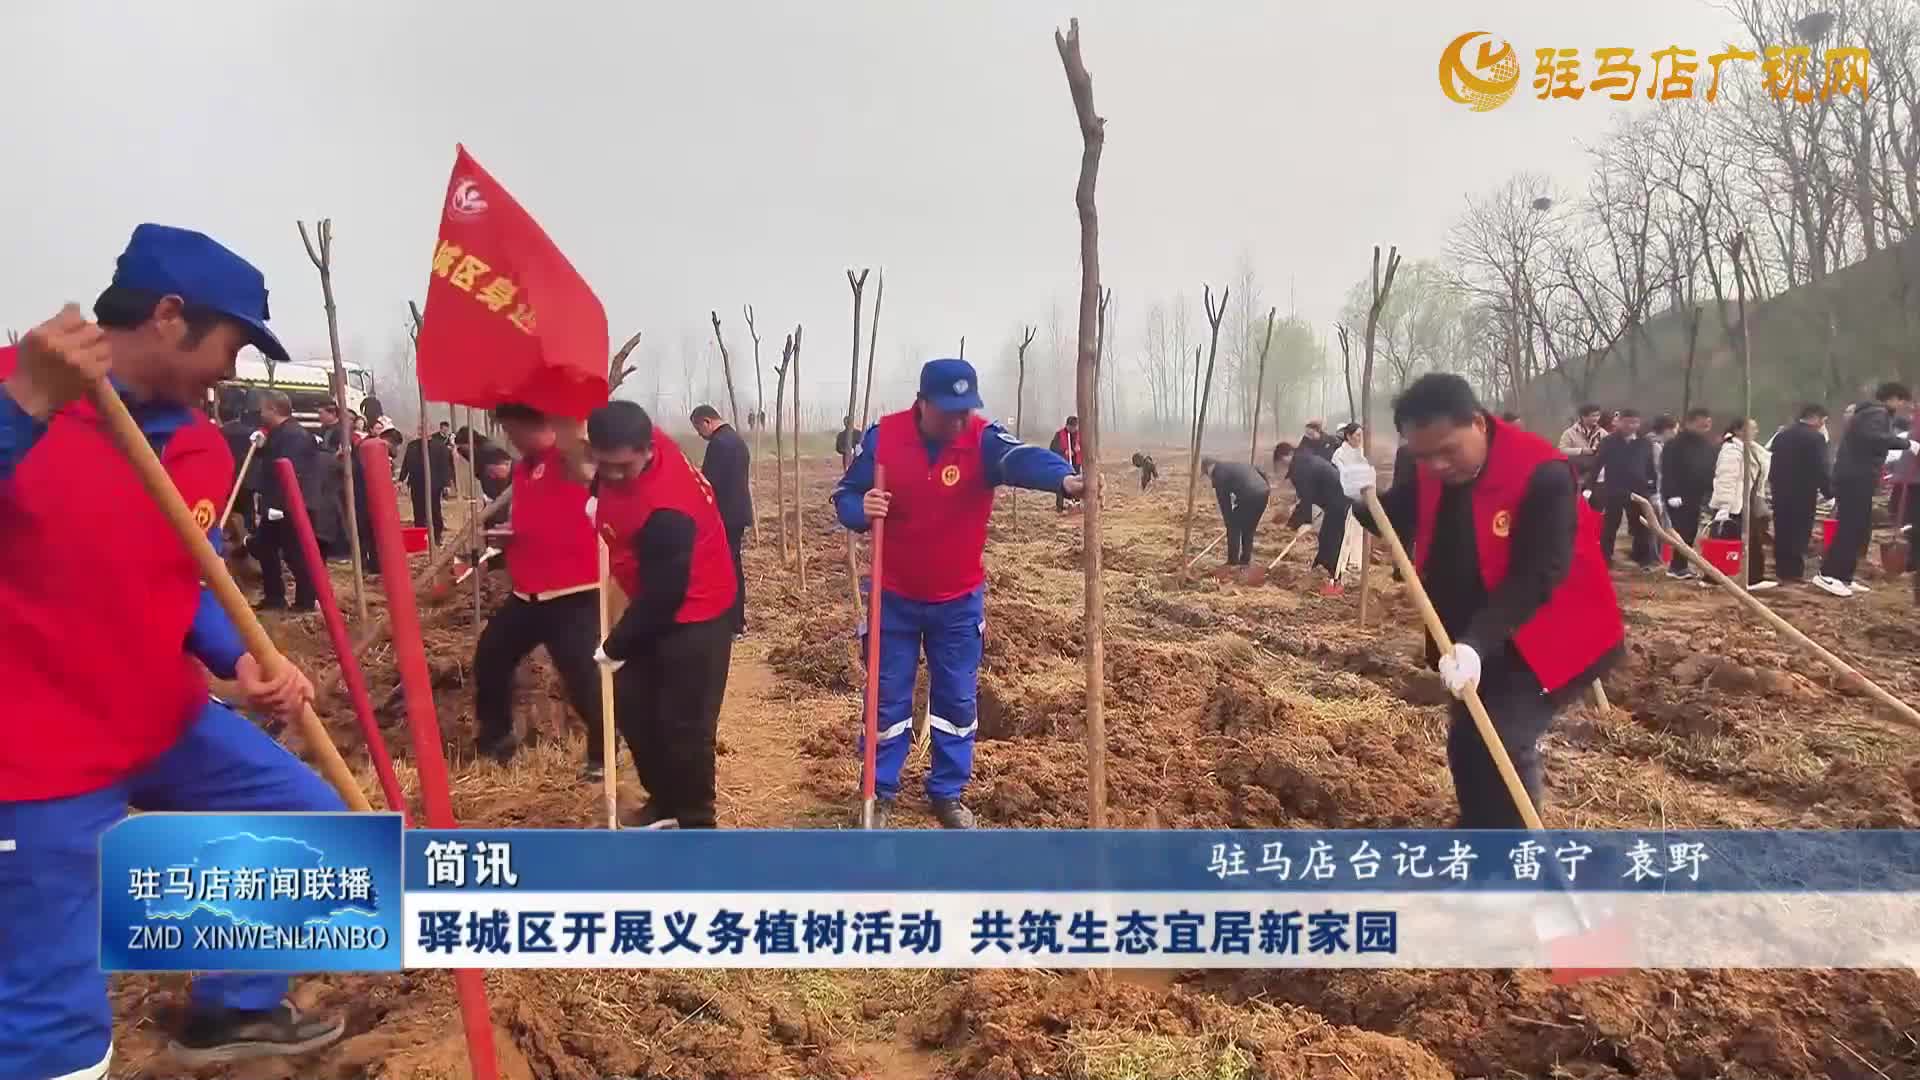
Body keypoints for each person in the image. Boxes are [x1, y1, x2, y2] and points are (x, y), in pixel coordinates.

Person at [0, 225, 348, 1075]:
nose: (234, 372)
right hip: (33, 748)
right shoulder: (20, 397)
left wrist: (238, 660)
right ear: (169, 316)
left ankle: (230, 1007)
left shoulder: (198, 444)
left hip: (161, 714)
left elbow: (189, 581)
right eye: (231, 345)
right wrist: (23, 413)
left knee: (322, 832)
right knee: (56, 1029)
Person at [1350, 373, 1624, 829]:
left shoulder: (1542, 473)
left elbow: (1540, 574)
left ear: (1477, 423)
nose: (1436, 465)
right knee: (1467, 742)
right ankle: (1481, 834)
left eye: (1446, 451)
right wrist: (1355, 498)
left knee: (1500, 738)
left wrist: (1477, 642)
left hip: (1547, 634)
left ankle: (1515, 861)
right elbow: (1394, 516)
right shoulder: (1432, 467)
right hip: (1474, 636)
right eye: (1423, 455)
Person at [832, 358, 1082, 828]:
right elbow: (845, 495)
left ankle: (947, 791)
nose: (960, 420)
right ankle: (880, 791)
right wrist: (859, 508)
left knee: (957, 701)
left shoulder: (982, 439)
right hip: (895, 597)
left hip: (957, 601)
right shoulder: (884, 437)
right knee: (886, 698)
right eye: (950, 411)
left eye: (967, 409)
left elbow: (1021, 458)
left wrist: (1065, 480)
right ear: (922, 404)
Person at [589, 402, 738, 830]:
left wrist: (615, 645)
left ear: (647, 449)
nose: (612, 477)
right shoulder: (638, 437)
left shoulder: (669, 509)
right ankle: (665, 802)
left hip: (696, 611)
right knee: (634, 706)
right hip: (654, 601)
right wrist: (594, 498)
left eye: (622, 468)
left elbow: (664, 598)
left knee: (685, 725)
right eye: (604, 466)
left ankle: (696, 824)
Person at [471, 403, 608, 777]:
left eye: (513, 430)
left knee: (581, 675)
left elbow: (587, 462)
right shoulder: (523, 468)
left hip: (574, 591)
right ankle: (496, 738)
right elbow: (535, 519)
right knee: (491, 656)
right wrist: (510, 536)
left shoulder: (569, 457)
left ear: (539, 424)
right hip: (528, 592)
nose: (509, 438)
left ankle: (604, 751)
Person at [1815, 382, 1914, 597]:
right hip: (1855, 477)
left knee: (1857, 528)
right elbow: (1874, 438)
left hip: (1860, 477)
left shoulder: (1873, 413)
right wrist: (1906, 444)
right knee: (1849, 527)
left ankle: (1844, 576)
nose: (1903, 406)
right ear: (1893, 398)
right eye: (1902, 401)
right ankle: (1828, 574)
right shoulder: (1876, 413)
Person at [246, 390, 321, 612]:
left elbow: (291, 471)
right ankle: (274, 597)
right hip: (276, 504)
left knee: (295, 554)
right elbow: (272, 461)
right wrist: (260, 448)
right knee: (265, 547)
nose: (259, 413)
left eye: (262, 409)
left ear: (273, 409)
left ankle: (305, 602)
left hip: (292, 506)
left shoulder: (294, 435)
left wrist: (279, 504)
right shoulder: (279, 433)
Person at [691, 404, 754, 637]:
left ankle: (733, 625)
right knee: (734, 566)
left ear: (706, 422)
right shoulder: (736, 440)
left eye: (699, 429)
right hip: (737, 513)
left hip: (725, 516)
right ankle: (739, 622)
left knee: (727, 569)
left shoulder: (719, 444)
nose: (700, 435)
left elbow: (709, 483)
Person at [1707, 417, 1777, 590]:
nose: (1755, 431)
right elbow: (1725, 478)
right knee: (1723, 540)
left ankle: (1753, 577)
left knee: (1752, 539)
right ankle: (1712, 577)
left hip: (1748, 500)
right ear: (1739, 431)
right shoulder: (1731, 451)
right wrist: (1724, 506)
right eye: (1751, 428)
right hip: (1733, 502)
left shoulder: (1752, 449)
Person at [1273, 439, 1349, 591]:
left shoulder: (1300, 467)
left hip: (1339, 500)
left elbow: (1307, 495)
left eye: (1281, 462)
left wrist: (1306, 522)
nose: (1282, 466)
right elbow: (1307, 494)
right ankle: (1319, 568)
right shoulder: (1304, 460)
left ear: (1287, 456)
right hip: (1336, 498)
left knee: (1332, 538)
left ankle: (1334, 578)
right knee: (1325, 536)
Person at [1768, 404, 1831, 584]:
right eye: (1822, 420)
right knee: (1800, 531)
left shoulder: (1781, 436)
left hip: (1780, 489)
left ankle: (1781, 568)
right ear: (1815, 417)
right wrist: (1829, 491)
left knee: (1782, 528)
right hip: (1803, 491)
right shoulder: (1816, 439)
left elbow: (1774, 463)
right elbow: (1821, 467)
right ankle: (1794, 571)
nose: (1822, 424)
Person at [1593, 408, 1658, 570]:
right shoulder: (1609, 441)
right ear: (1620, 422)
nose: (1631, 426)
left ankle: (1643, 558)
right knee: (1610, 525)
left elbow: (1650, 467)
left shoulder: (1644, 443)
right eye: (1627, 422)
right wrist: (1590, 487)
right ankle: (1605, 558)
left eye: (1635, 422)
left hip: (1638, 489)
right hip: (1614, 488)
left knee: (1641, 525)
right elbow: (1597, 464)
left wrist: (1653, 489)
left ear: (1639, 423)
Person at [1660, 407, 1718, 580]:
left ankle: (1681, 564)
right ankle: (1676, 566)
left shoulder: (1706, 444)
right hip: (1678, 495)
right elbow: (1667, 469)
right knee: (1681, 530)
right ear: (1690, 423)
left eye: (1707, 424)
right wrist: (1671, 493)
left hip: (1697, 493)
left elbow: (1709, 468)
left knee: (1691, 530)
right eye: (1701, 424)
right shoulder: (1674, 444)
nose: (1705, 427)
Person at [1201, 455, 1270, 567]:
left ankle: (1232, 562)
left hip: (1249, 495)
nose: (1209, 478)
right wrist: (1267, 488)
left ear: (1208, 468)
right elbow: (1261, 472)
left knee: (1234, 526)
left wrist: (1229, 523)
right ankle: (1245, 560)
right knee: (1249, 528)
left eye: (1206, 474)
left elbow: (1224, 504)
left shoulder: (1218, 474)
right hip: (1263, 492)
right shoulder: (1233, 465)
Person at [400, 421, 454, 543]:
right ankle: (420, 537)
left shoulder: (439, 446)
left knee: (435, 510)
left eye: (425, 429)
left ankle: (437, 536)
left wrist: (446, 484)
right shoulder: (412, 446)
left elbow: (445, 466)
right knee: (418, 511)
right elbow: (406, 463)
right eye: (420, 429)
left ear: (431, 430)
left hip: (434, 485)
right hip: (416, 484)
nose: (422, 431)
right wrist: (401, 479)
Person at [1557, 403, 1605, 486]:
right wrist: (1582, 451)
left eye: (1598, 415)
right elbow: (1561, 450)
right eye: (1593, 416)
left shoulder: (1602, 433)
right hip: (1575, 471)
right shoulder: (1570, 433)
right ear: (1583, 417)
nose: (1596, 418)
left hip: (1597, 474)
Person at [1050, 415, 1083, 512]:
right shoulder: (1059, 435)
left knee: (1076, 483)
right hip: (1063, 463)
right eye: (1072, 427)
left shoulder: (1080, 435)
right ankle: (1059, 506)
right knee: (1061, 483)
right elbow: (1053, 448)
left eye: (1075, 427)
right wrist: (1064, 451)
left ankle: (1076, 503)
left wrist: (1079, 448)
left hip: (1076, 463)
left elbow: (1087, 446)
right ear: (1067, 426)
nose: (1074, 429)